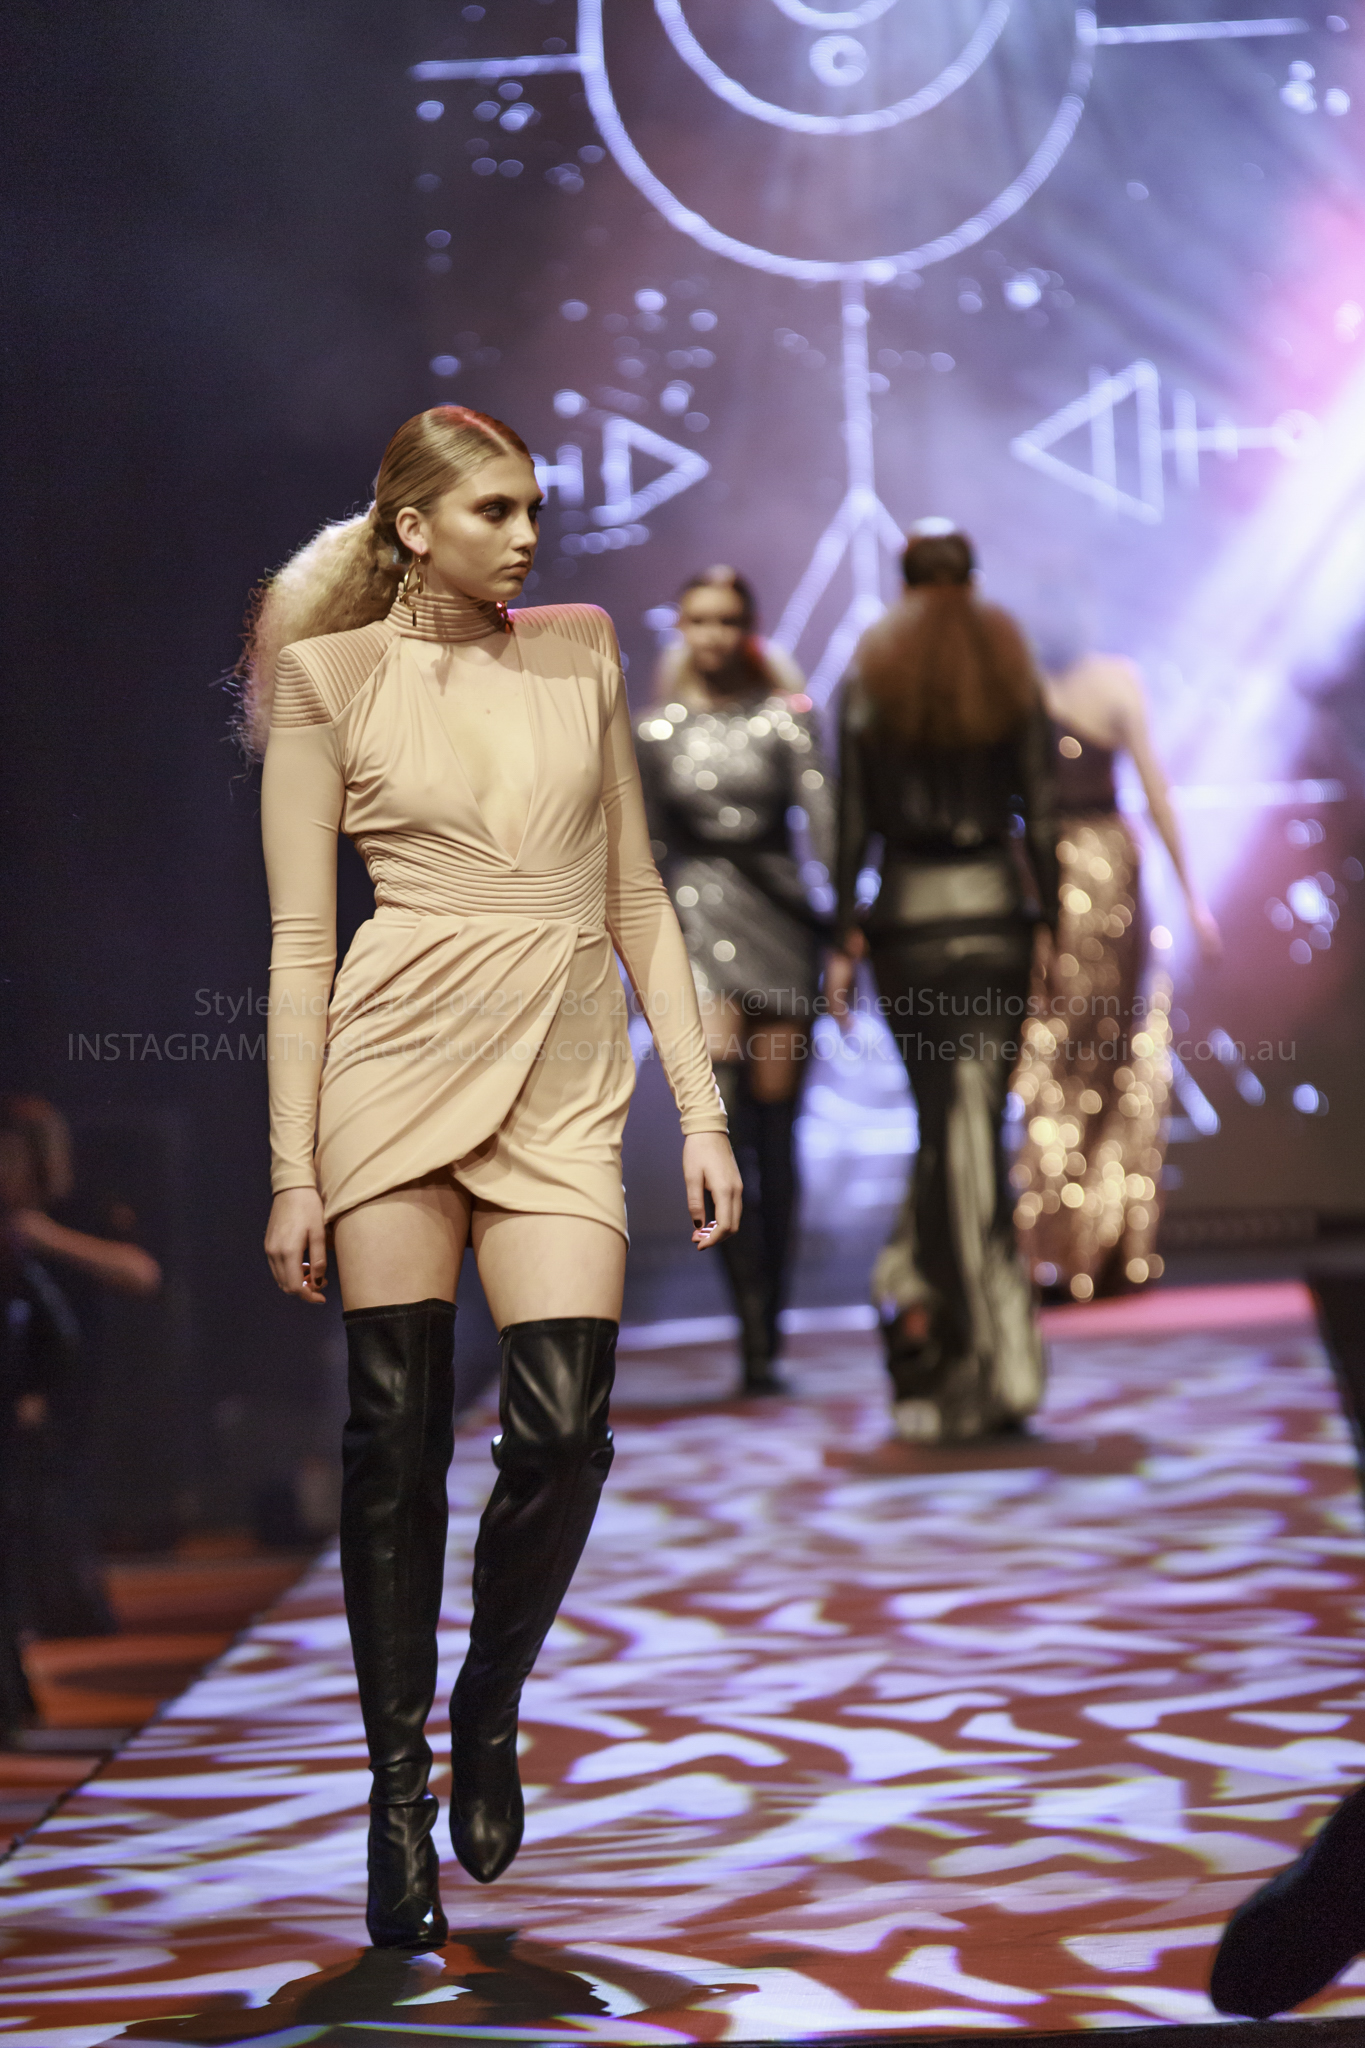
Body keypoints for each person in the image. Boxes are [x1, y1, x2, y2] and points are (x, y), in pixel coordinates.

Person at [242, 406, 741, 1950]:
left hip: (560, 1074)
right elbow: (302, 943)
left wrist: (702, 1111)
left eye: (533, 509)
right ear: (413, 526)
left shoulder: (579, 651)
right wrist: (291, 1168)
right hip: (390, 1064)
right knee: (392, 1439)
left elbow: (636, 894)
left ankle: (487, 1696)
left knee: (565, 1432)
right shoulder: (330, 679)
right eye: (495, 511)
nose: (528, 536)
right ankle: (396, 1799)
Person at [826, 530, 1059, 1445]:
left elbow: (849, 820)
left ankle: (944, 1327)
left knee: (945, 1126)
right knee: (970, 1126)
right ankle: (992, 1353)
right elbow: (1040, 808)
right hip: (995, 914)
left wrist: (842, 933)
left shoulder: (871, 677)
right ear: (971, 578)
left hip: (910, 922)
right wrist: (1050, 920)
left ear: (902, 581)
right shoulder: (1005, 671)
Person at [636, 568, 832, 1393]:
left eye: (726, 620)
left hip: (781, 925)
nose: (711, 634)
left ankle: (769, 1325)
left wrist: (843, 937)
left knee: (774, 1136)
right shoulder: (655, 734)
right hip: (697, 926)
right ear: (680, 628)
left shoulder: (787, 721)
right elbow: (644, 852)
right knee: (719, 1126)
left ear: (747, 630)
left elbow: (826, 828)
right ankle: (748, 1323)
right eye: (698, 620)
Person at [1010, 644, 1221, 1302]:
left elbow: (1154, 789)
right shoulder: (1011, 673)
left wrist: (1192, 897)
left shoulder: (1110, 678)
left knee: (1106, 1051)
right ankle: (1063, 1245)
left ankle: (1095, 1243)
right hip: (1048, 873)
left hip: (1095, 878)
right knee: (1060, 1051)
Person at [0, 1096, 160, 1648]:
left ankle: (59, 1603)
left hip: (76, 1378)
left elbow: (142, 1273)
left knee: (57, 1497)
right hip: (19, 1383)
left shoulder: (76, 1210)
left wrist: (46, 1238)